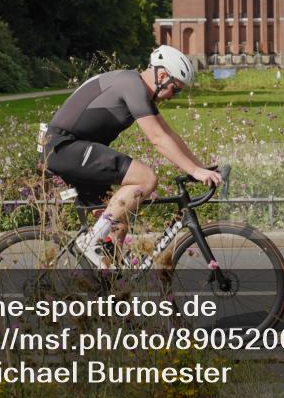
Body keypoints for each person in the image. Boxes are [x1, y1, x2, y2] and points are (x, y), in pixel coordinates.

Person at [44, 45, 222, 267]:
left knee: (117, 225)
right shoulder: (131, 84)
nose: (172, 97)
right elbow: (157, 138)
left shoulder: (136, 88)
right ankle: (91, 242)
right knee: (145, 179)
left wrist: (200, 167)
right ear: (163, 76)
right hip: (63, 146)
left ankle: (110, 290)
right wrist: (194, 171)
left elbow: (169, 134)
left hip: (73, 149)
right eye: (175, 90)